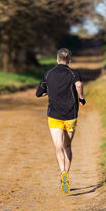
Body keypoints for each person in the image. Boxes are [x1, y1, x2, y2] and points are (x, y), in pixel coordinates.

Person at [36, 48, 86, 194]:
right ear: (69, 61)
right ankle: (67, 175)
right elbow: (78, 85)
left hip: (54, 115)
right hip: (71, 115)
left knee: (58, 147)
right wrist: (81, 97)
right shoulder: (74, 73)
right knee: (67, 146)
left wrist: (48, 91)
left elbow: (39, 92)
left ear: (57, 60)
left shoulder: (49, 73)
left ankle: (62, 171)